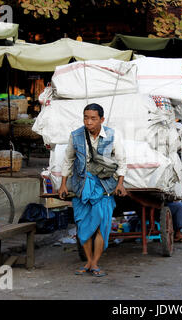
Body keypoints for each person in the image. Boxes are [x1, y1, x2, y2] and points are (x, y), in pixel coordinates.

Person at [59, 103, 127, 277]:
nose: (88, 122)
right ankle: (90, 261)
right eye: (86, 118)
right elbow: (68, 160)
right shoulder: (76, 136)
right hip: (81, 187)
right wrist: (63, 183)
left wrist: (120, 183)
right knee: (83, 226)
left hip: (103, 187)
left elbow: (121, 160)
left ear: (101, 120)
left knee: (100, 226)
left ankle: (94, 263)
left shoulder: (112, 135)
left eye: (93, 118)